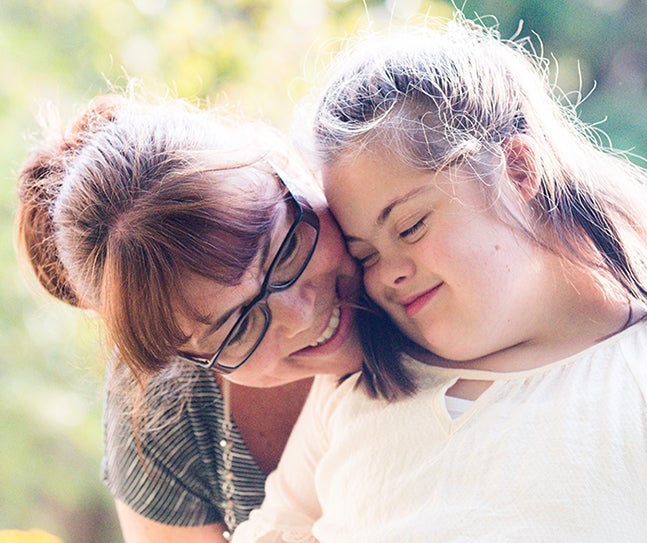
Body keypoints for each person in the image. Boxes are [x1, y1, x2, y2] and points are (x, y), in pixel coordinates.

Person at [232, 17, 647, 542]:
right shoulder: (364, 389)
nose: (391, 274)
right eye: (365, 254)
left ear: (520, 169)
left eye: (410, 225)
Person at [15, 92, 407, 543]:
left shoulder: (415, 213)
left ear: (285, 165)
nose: (297, 316)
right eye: (237, 327)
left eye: (284, 252)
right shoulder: (167, 410)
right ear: (183, 358)